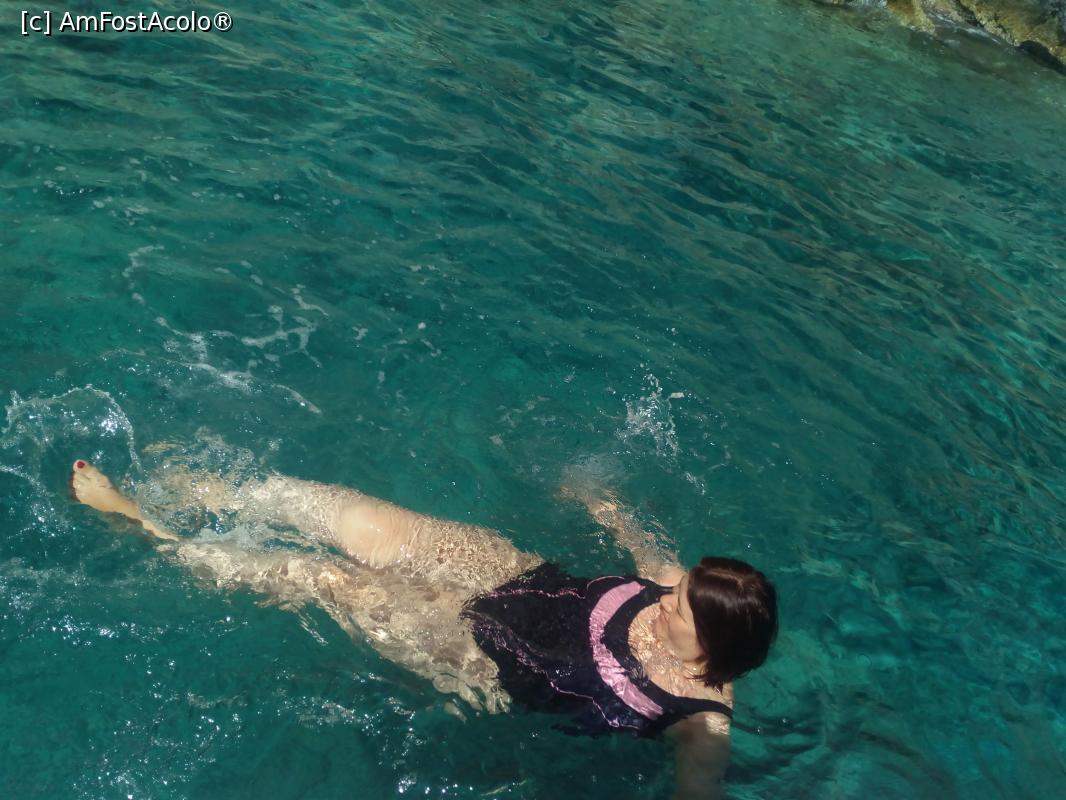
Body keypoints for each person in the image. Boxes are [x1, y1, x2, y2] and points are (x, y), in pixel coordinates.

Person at [69, 457, 777, 799]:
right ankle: (223, 492)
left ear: (711, 646)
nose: (664, 597)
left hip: (484, 655)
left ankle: (148, 527)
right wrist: (603, 500)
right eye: (676, 588)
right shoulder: (674, 584)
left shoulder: (701, 722)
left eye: (680, 607)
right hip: (509, 573)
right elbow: (645, 545)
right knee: (361, 524)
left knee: (325, 581)